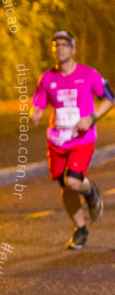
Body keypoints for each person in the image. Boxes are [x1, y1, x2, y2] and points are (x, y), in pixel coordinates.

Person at [30, 30, 114, 249]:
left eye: (65, 45)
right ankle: (81, 229)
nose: (60, 49)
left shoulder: (89, 74)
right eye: (56, 45)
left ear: (74, 49)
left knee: (73, 182)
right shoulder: (47, 78)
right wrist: (35, 114)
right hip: (57, 141)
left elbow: (109, 98)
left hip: (81, 139)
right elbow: (38, 103)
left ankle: (91, 190)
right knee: (66, 188)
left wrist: (92, 118)